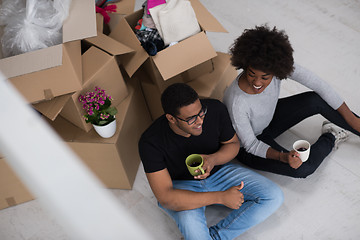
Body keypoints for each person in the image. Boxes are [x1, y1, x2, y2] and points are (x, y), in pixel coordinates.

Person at [138, 83, 283, 240]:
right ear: (171, 118)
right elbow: (166, 198)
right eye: (191, 119)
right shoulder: (150, 142)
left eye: (201, 113)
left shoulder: (214, 109)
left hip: (220, 172)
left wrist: (214, 159)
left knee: (273, 196)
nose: (200, 121)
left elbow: (233, 144)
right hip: (182, 186)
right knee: (191, 226)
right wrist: (220, 197)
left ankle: (216, 236)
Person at [223, 25, 360, 178]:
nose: (257, 82)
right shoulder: (237, 102)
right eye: (251, 74)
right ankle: (331, 135)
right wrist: (283, 156)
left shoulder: (275, 66)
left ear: (275, 71)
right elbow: (251, 145)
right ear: (245, 65)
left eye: (265, 77)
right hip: (248, 146)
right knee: (302, 169)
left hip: (269, 120)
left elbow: (319, 84)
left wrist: (352, 120)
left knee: (314, 100)